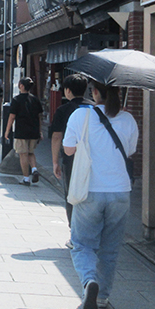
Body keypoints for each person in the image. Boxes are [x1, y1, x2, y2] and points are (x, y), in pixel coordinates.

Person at [63, 81, 138, 309]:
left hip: (90, 190)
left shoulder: (80, 115)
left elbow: (67, 150)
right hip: (120, 191)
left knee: (82, 243)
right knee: (110, 246)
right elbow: (129, 152)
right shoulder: (128, 119)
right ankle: (103, 296)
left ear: (94, 92)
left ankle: (89, 281)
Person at [50, 74, 92, 248]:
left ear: (67, 90)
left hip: (71, 158)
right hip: (92, 158)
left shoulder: (64, 110)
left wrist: (55, 162)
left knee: (72, 195)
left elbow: (56, 137)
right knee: (90, 194)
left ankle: (75, 234)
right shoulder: (94, 108)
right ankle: (89, 232)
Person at [4, 77, 43, 186]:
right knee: (31, 152)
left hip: (21, 130)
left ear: (21, 85)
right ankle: (34, 169)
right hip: (34, 130)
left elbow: (12, 117)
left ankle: (26, 178)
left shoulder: (16, 100)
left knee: (23, 154)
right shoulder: (35, 99)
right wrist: (40, 131)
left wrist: (7, 131)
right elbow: (39, 116)